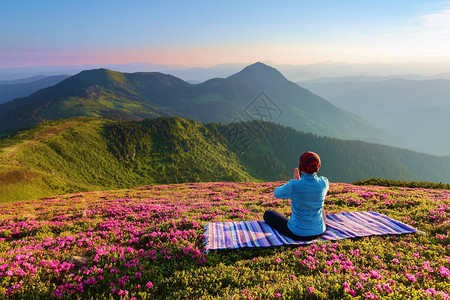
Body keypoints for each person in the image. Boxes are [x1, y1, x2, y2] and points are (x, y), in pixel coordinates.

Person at [263, 151, 329, 241]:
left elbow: (276, 193)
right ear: (318, 166)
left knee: (268, 214)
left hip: (298, 233)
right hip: (319, 232)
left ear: (301, 166)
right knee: (321, 210)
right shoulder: (324, 182)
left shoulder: (294, 185)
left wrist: (294, 181)